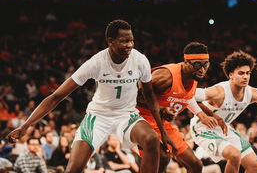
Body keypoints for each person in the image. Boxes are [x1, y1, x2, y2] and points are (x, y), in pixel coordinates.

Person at [5, 19, 176, 173]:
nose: (130, 45)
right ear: (111, 41)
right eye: (124, 41)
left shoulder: (140, 60)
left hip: (127, 115)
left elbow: (150, 97)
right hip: (98, 116)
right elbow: (56, 96)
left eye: (132, 40)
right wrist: (26, 125)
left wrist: (163, 131)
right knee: (73, 169)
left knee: (152, 139)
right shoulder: (96, 62)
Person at [190, 50, 257, 173]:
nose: (245, 76)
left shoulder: (251, 93)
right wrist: (211, 115)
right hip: (202, 128)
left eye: (248, 73)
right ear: (231, 75)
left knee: (255, 166)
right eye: (241, 73)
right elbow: (188, 95)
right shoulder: (219, 92)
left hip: (223, 128)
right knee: (234, 155)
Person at [136, 42, 227, 173]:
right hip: (140, 120)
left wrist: (205, 115)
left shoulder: (193, 77)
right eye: (197, 65)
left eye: (206, 64)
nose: (202, 69)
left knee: (196, 165)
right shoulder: (166, 76)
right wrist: (161, 108)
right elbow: (135, 94)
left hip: (163, 123)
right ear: (185, 62)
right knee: (163, 157)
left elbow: (187, 96)